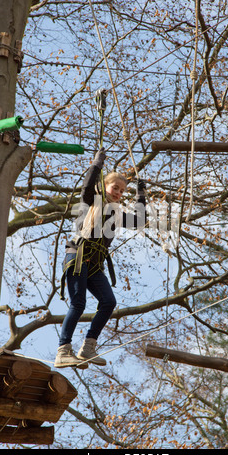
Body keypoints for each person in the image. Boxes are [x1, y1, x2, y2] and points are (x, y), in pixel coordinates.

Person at [54, 147, 146, 369]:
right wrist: (97, 165)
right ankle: (63, 351)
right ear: (105, 186)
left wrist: (141, 196)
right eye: (115, 188)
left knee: (108, 302)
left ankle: (87, 348)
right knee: (78, 303)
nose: (118, 193)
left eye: (122, 191)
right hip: (78, 255)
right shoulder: (90, 202)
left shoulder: (116, 214)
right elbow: (87, 185)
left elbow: (140, 220)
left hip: (94, 264)